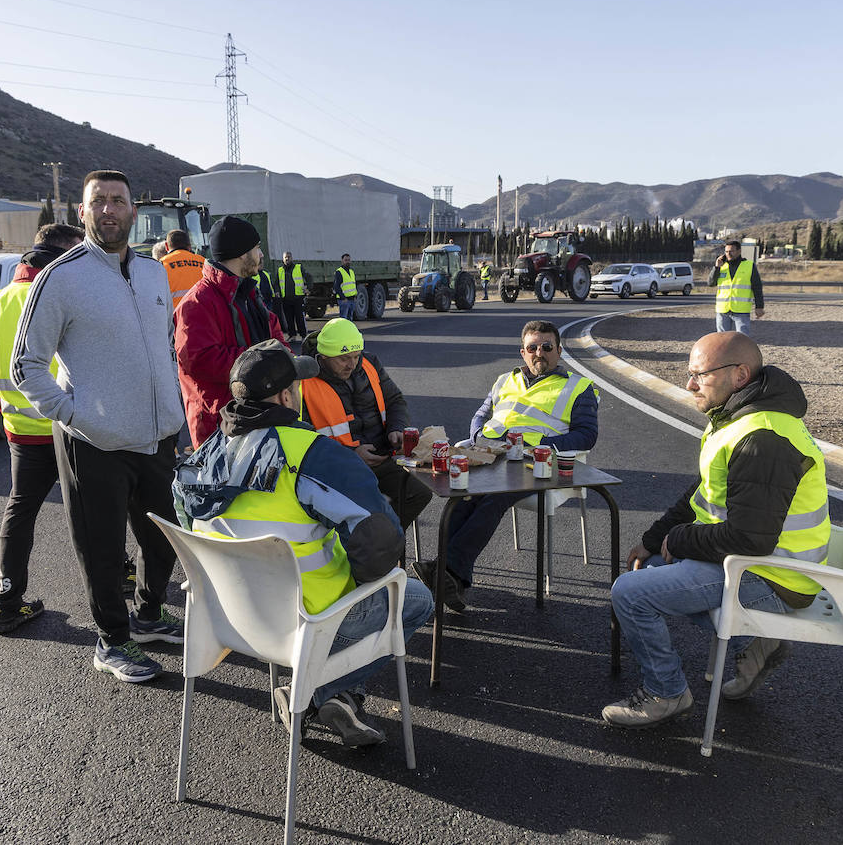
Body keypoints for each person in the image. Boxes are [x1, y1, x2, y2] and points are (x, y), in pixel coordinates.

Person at [173, 340, 434, 747]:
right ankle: (317, 692)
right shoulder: (313, 455)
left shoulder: (205, 453)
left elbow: (185, 519)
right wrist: (364, 582)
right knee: (416, 599)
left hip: (228, 616)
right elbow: (379, 542)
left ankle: (334, 695)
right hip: (307, 619)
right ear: (286, 396)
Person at [602, 332, 830, 727]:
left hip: (772, 575)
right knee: (653, 564)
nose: (689, 384)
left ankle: (666, 692)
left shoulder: (764, 438)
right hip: (754, 563)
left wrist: (680, 539)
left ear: (739, 375)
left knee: (631, 594)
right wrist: (655, 539)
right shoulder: (737, 417)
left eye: (699, 375)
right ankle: (757, 644)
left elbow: (750, 539)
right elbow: (703, 491)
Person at [12, 169, 185, 684]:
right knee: (103, 549)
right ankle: (111, 640)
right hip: (95, 443)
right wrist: (75, 415)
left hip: (159, 437)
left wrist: (173, 404)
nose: (109, 210)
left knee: (164, 538)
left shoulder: (155, 274)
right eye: (98, 202)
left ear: (134, 211)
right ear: (81, 213)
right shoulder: (59, 278)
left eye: (118, 201)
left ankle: (150, 614)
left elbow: (163, 348)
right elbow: (26, 366)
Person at [412, 320, 599, 611]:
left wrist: (540, 448)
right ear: (523, 352)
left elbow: (587, 434)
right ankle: (453, 578)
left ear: (559, 351)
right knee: (464, 496)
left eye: (547, 347)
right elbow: (479, 417)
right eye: (532, 348)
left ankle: (444, 572)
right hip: (492, 456)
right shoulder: (504, 380)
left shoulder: (579, 387)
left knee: (492, 499)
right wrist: (480, 440)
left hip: (536, 464)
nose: (540, 353)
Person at [0, 222, 85, 634]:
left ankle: (7, 601)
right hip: (71, 424)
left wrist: (9, 412)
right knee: (95, 507)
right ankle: (122, 579)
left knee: (20, 511)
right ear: (56, 256)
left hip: (21, 429)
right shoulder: (58, 295)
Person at [300, 318, 432, 533]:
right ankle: (376, 548)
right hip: (337, 470)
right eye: (344, 359)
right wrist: (351, 453)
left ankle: (383, 546)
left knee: (418, 494)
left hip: (379, 460)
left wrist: (396, 429)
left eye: (355, 356)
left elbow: (395, 400)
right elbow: (303, 437)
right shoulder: (304, 381)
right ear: (324, 356)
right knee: (366, 514)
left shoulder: (370, 363)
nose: (352, 365)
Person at [175, 215, 288, 448]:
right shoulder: (197, 303)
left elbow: (274, 333)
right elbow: (199, 360)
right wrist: (264, 363)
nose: (261, 254)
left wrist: (281, 358)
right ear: (241, 253)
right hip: (221, 427)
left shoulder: (248, 293)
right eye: (257, 248)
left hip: (258, 417)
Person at [711, 240, 764, 334]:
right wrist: (716, 268)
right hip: (723, 310)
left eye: (731, 251)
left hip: (741, 310)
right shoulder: (721, 266)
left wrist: (759, 307)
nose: (728, 254)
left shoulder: (749, 265)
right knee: (722, 341)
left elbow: (757, 287)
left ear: (739, 251)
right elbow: (711, 283)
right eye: (726, 252)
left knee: (742, 340)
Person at [159, 228, 205, 310]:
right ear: (189, 246)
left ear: (166, 246)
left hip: (176, 317)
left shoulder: (162, 264)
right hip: (202, 312)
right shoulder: (203, 261)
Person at [278, 250, 308, 340]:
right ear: (283, 259)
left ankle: (303, 336)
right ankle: (292, 335)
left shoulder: (298, 267)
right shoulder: (280, 270)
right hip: (286, 299)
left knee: (299, 318)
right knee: (289, 319)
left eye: (289, 257)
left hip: (297, 298)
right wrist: (276, 291)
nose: (287, 258)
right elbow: (276, 283)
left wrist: (308, 287)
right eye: (285, 257)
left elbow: (308, 276)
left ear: (292, 258)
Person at [334, 253, 357, 320]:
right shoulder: (339, 272)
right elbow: (336, 287)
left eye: (349, 260)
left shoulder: (351, 271)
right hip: (344, 300)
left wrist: (355, 296)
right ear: (342, 261)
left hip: (352, 299)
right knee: (344, 320)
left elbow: (353, 285)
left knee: (350, 319)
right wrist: (343, 298)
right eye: (346, 260)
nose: (347, 262)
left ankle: (349, 331)